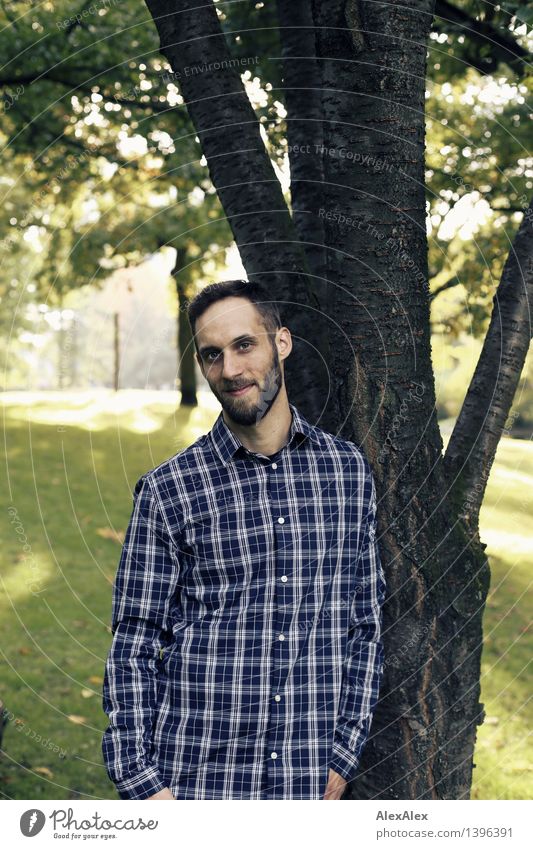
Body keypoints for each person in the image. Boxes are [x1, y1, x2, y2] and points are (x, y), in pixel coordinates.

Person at [101, 279, 386, 800]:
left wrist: (343, 756)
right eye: (212, 355)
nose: (229, 370)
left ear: (281, 342)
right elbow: (135, 643)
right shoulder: (169, 491)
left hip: (307, 783)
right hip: (192, 784)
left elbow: (362, 624)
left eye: (244, 345)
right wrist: (144, 787)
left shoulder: (347, 473)